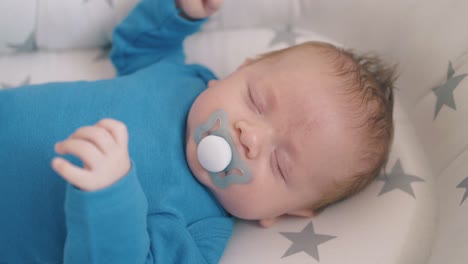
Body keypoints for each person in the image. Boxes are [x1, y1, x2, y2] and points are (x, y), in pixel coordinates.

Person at [0, 0, 397, 263]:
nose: (250, 137)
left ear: (286, 211)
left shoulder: (199, 232)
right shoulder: (186, 79)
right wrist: (179, 12)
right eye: (257, 101)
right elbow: (137, 50)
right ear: (239, 71)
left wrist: (111, 198)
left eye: (280, 164)